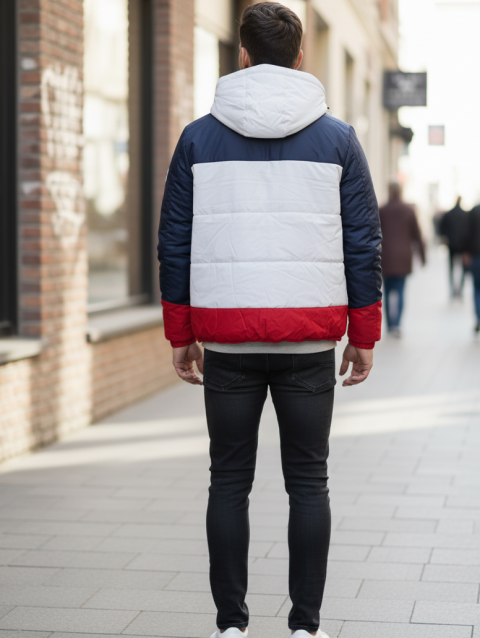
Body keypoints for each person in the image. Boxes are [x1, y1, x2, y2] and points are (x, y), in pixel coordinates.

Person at [157, 4, 382, 637]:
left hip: (227, 340)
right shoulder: (339, 139)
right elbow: (363, 242)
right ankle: (305, 627)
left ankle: (231, 626)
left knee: (228, 481)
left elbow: (173, 241)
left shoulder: (197, 138)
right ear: (301, 58)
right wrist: (363, 335)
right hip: (308, 341)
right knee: (308, 481)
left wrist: (181, 333)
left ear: (242, 55)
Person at [379, 183, 425, 336]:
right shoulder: (409, 210)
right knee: (400, 291)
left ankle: (389, 325)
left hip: (386, 257)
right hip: (403, 257)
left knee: (386, 291)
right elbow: (417, 235)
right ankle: (397, 325)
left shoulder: (382, 211)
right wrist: (423, 256)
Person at [439, 196, 469, 297]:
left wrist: (445, 238)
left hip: (451, 244)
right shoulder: (465, 214)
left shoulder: (448, 214)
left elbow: (441, 228)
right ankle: (460, 290)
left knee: (451, 269)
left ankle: (452, 290)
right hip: (462, 245)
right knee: (463, 269)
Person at [464, 204, 480, 333]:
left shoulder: (474, 211)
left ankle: (479, 317)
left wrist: (465, 252)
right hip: (475, 255)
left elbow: (466, 233)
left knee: (477, 289)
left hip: (476, 256)